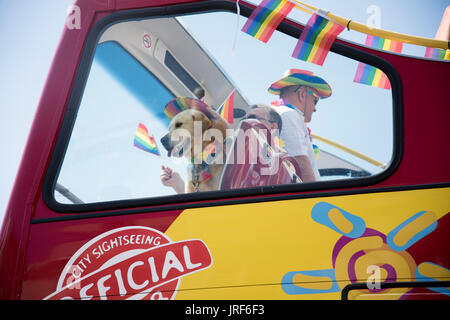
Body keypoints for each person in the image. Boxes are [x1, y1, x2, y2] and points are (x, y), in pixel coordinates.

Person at [268, 68, 332, 182]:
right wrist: (314, 197)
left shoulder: (280, 114)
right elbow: (300, 163)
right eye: (315, 100)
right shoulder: (289, 114)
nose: (315, 108)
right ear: (302, 94)